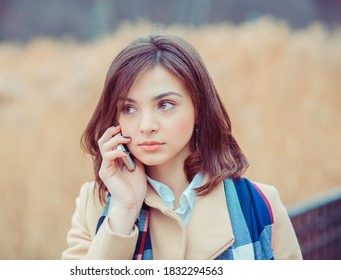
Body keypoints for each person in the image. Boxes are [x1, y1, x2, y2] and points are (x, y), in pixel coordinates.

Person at [62, 34, 302, 260]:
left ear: (199, 108)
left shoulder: (258, 205)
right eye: (129, 108)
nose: (146, 126)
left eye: (165, 104)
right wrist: (124, 209)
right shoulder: (93, 205)